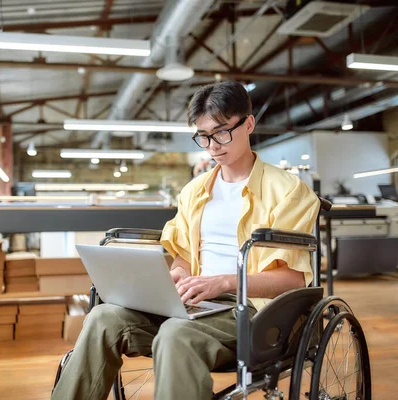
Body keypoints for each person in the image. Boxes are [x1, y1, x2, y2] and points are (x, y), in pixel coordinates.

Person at [51, 81, 320, 400]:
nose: (213, 146)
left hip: (253, 311)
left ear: (248, 123)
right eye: (203, 136)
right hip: (196, 303)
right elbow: (183, 260)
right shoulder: (194, 191)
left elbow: (292, 279)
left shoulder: (288, 191)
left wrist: (223, 282)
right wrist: (176, 276)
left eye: (221, 132)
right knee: (102, 317)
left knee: (175, 334)